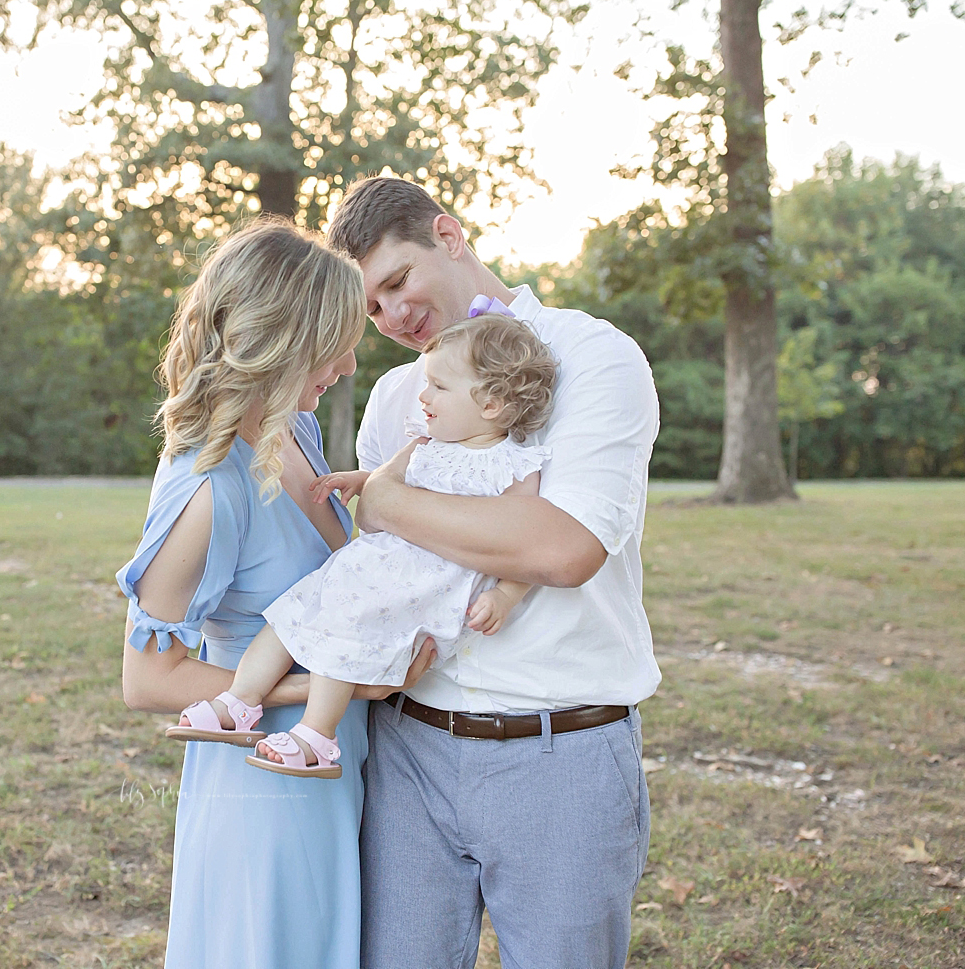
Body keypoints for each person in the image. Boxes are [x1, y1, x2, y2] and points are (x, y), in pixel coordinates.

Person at [326, 177, 661, 969]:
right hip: (406, 749)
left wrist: (385, 500)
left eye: (398, 281)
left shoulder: (592, 357)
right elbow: (382, 575)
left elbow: (561, 549)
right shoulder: (392, 399)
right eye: (371, 308)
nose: (393, 317)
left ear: (449, 235)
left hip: (561, 751)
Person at [115, 216, 434, 969]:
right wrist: (342, 690)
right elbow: (145, 680)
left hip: (332, 770)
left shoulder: (296, 432)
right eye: (332, 342)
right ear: (277, 340)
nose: (351, 361)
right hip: (261, 791)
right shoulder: (204, 489)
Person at [169, 314, 555, 780]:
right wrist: (358, 480)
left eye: (439, 387)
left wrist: (506, 594)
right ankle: (240, 701)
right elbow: (382, 483)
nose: (424, 396)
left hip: (420, 588)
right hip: (369, 570)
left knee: (342, 634)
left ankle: (316, 736)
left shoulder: (514, 467)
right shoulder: (422, 444)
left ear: (492, 403)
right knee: (288, 616)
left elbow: (527, 544)